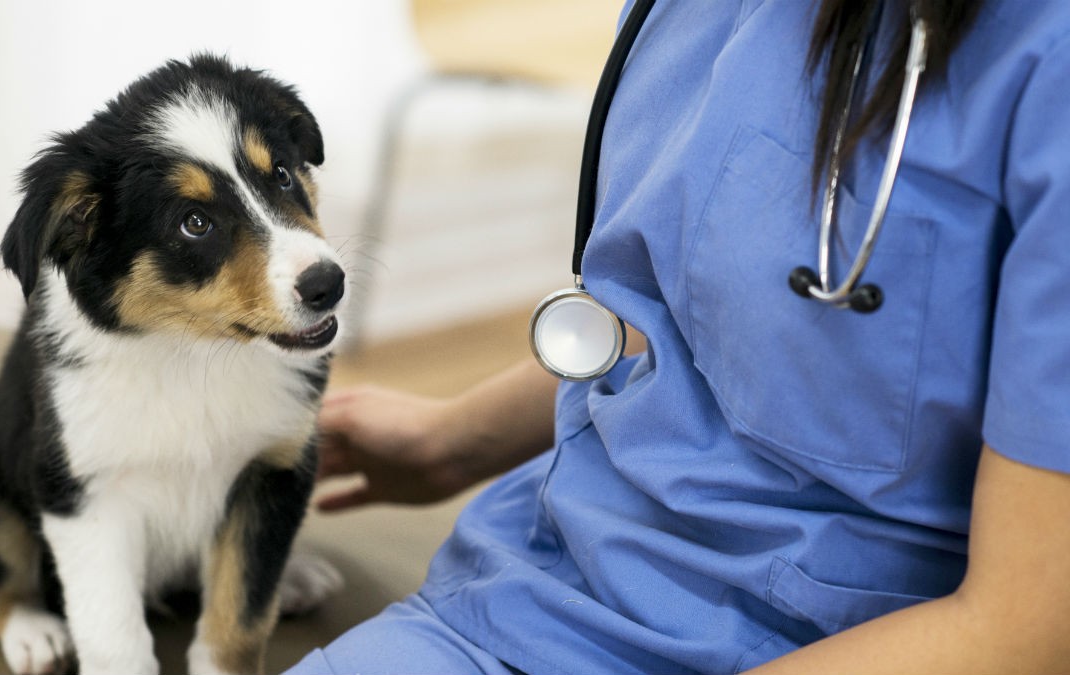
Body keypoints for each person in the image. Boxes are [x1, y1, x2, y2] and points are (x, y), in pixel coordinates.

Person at [286, 0, 1070, 672]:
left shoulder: (1044, 59)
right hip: (536, 603)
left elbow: (1024, 630)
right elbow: (691, 315)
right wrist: (451, 440)